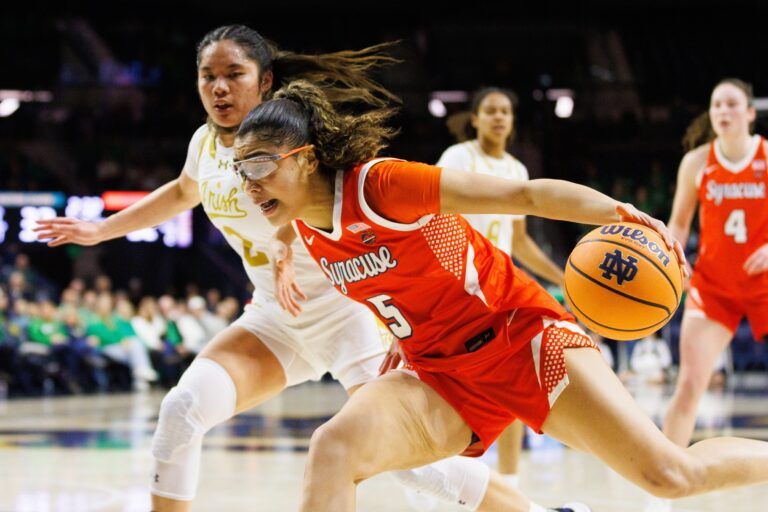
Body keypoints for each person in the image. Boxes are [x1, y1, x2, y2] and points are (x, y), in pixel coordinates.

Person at [34, 25, 551, 512]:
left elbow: (364, 210)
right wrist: (101, 230)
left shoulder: (306, 146)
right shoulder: (204, 144)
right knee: (180, 412)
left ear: (264, 81)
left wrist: (289, 242)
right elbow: (183, 191)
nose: (218, 87)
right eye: (207, 76)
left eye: (233, 74)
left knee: (417, 470)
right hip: (276, 320)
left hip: (351, 314)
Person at [237, 79, 768, 512]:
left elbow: (525, 195)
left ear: (306, 159)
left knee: (669, 474)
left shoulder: (381, 185)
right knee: (334, 447)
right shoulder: (303, 225)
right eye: (242, 171)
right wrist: (402, 328)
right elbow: (377, 273)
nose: (250, 184)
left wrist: (619, 212)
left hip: (521, 339)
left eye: (260, 164)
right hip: (439, 371)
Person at [648, 78, 768, 511]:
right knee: (690, 383)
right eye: (717, 104)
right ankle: (660, 492)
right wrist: (667, 260)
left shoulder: (767, 156)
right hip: (713, 285)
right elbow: (679, 224)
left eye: (732, 104)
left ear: (750, 113)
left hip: (764, 283)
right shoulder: (696, 162)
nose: (723, 111)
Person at [437, 86, 564, 488]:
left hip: (499, 291)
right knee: (454, 393)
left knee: (514, 390)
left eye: (505, 111)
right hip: (455, 290)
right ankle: (450, 480)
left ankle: (510, 483)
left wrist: (562, 278)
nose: (498, 117)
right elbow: (435, 216)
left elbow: (521, 240)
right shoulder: (458, 158)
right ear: (474, 119)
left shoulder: (516, 170)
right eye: (490, 111)